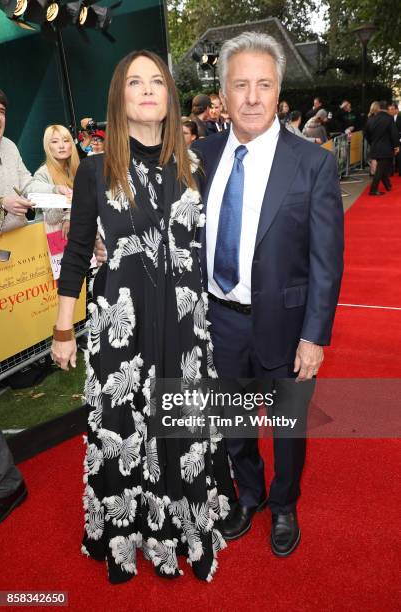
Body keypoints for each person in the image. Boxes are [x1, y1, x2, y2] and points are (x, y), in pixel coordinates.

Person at [51, 50, 234, 584]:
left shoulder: (196, 164)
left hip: (183, 328)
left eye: (158, 81)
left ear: (171, 97)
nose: (149, 90)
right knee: (127, 430)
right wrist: (64, 330)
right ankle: (126, 536)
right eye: (136, 82)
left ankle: (185, 530)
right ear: (120, 97)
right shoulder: (94, 169)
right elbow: (79, 254)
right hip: (121, 329)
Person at [193, 32, 344, 556]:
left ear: (278, 91)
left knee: (287, 429)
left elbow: (327, 261)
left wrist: (315, 336)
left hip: (287, 324)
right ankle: (249, 495)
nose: (252, 97)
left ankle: (284, 505)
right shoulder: (199, 155)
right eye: (240, 85)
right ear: (223, 94)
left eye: (264, 85)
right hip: (218, 320)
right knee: (233, 423)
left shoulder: (313, 162)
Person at [0, 89, 28, 522]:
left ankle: (6, 484)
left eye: (1, 111)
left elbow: (24, 187)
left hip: (11, 260)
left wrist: (44, 189)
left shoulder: (8, 147)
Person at [25, 124, 80, 238]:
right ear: (47, 147)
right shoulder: (42, 174)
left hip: (79, 234)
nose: (61, 146)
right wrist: (65, 206)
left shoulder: (77, 169)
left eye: (66, 140)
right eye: (55, 142)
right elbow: (51, 218)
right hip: (52, 238)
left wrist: (69, 217)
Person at [0, 89, 33, 233]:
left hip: (20, 237)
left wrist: (55, 190)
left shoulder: (10, 146)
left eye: (2, 111)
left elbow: (26, 184)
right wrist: (2, 203)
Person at [364, 100, 399, 195]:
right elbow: (394, 133)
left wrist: (372, 142)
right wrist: (396, 146)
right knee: (380, 169)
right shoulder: (389, 118)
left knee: (381, 168)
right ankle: (373, 189)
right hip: (386, 148)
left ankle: (388, 185)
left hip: (375, 147)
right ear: (387, 109)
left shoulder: (371, 118)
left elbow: (366, 134)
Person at [387, 102, 401, 176]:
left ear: (396, 110)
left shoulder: (400, 118)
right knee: (390, 157)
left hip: (399, 140)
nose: (391, 111)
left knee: (399, 156)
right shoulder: (387, 119)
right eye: (389, 109)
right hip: (389, 141)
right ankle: (390, 172)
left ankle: (399, 170)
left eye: (392, 109)